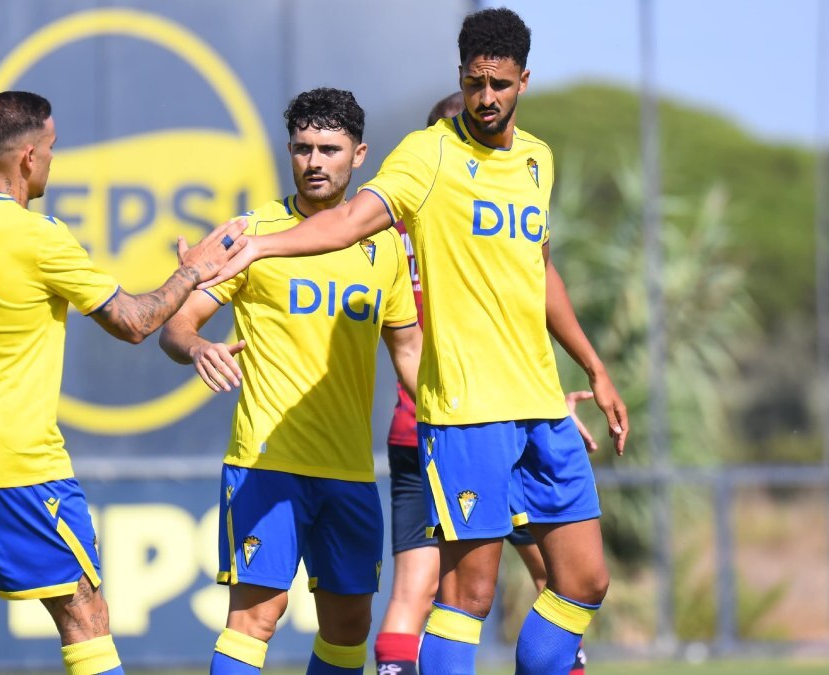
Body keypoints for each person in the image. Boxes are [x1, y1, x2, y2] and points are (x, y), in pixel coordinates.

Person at [199, 8, 629, 675]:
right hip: (465, 411)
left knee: (585, 582)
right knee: (467, 594)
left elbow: (539, 269)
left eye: (500, 84)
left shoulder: (538, 161)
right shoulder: (427, 154)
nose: (486, 98)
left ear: (524, 81)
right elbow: (346, 223)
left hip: (542, 403)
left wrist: (595, 366)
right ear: (460, 75)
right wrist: (260, 246)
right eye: (474, 81)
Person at [0, 90, 246, 675]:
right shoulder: (37, 236)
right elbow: (135, 323)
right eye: (54, 148)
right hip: (17, 466)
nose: (54, 161)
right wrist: (194, 271)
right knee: (85, 617)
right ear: (29, 158)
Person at [159, 88, 421, 675]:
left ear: (359, 155)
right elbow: (175, 326)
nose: (314, 161)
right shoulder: (251, 234)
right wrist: (197, 346)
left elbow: (408, 350)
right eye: (303, 148)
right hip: (265, 461)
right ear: (289, 152)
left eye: (329, 148)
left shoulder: (383, 245)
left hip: (350, 469)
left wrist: (466, 406)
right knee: (256, 617)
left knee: (350, 624)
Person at [374, 93, 592, 675]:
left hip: (444, 419)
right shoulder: (433, 228)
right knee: (499, 586)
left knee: (423, 589)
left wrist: (545, 398)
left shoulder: (396, 233)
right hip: (460, 422)